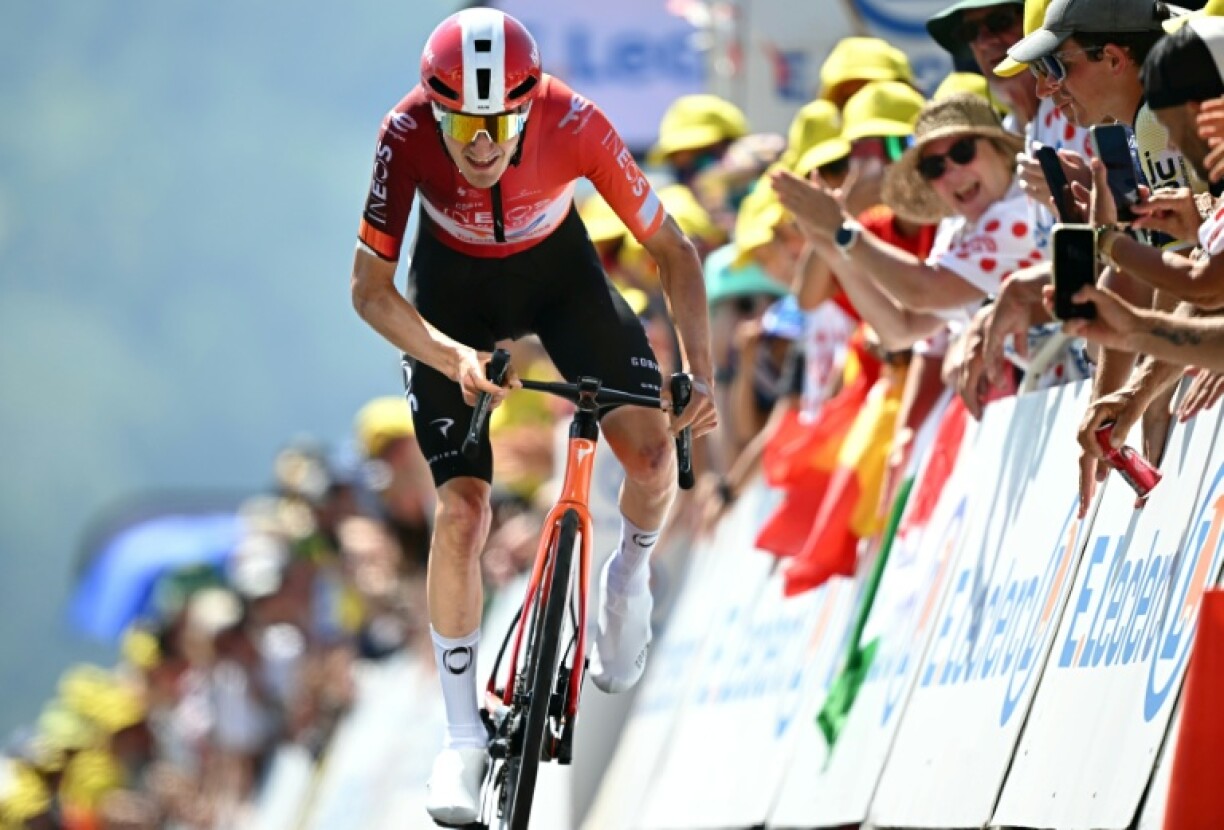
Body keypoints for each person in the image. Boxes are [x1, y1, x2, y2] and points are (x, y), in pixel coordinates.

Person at [348, 9, 717, 824]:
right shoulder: (404, 132)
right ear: (432, 108)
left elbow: (675, 254)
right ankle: (460, 742)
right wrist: (452, 358)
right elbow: (370, 290)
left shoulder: (574, 120)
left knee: (654, 460)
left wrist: (699, 372)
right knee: (463, 511)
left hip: (560, 278)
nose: (480, 144)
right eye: (461, 123)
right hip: (452, 295)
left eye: (499, 123)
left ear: (530, 105)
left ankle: (629, 578)